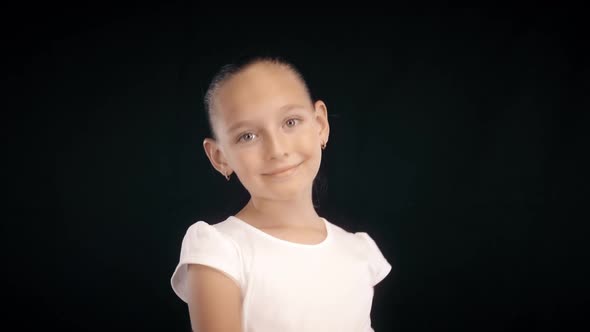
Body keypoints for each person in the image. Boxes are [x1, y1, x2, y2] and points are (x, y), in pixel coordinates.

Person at [170, 55, 392, 332]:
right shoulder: (220, 249)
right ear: (220, 157)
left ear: (320, 125)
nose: (277, 150)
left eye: (290, 122)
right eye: (247, 136)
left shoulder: (359, 251)